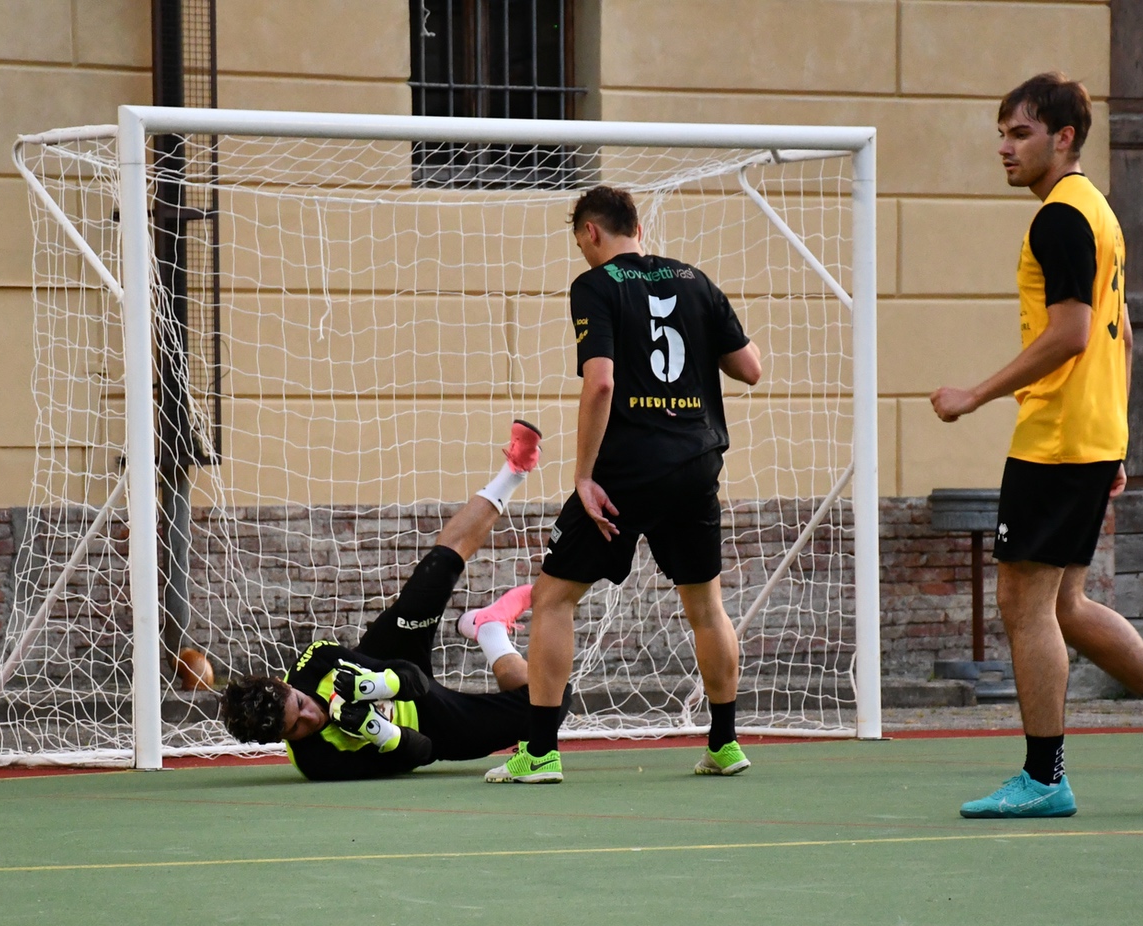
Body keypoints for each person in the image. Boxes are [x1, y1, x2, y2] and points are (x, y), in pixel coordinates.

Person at [930, 73, 1143, 818]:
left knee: (1023, 603)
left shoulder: (1060, 219)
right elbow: (1120, 332)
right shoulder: (1099, 212)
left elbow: (1071, 335)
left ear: (1063, 137)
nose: (1005, 149)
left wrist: (976, 393)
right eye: (1002, 135)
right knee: (1064, 603)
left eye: (1021, 134)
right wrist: (1117, 437)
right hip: (1090, 435)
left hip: (1058, 439)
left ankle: (1044, 778)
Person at [486, 185, 763, 784]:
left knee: (554, 598)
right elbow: (750, 368)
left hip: (628, 471)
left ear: (591, 232)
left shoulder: (595, 285)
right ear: (637, 227)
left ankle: (540, 751)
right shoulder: (696, 281)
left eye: (580, 242)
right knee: (706, 606)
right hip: (697, 464)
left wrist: (584, 475)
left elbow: (602, 383)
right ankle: (724, 743)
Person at [219, 420, 553, 782]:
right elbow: (421, 751)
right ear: (281, 740)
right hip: (428, 722)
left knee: (437, 570)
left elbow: (412, 677)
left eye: (299, 704)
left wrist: (372, 687)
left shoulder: (313, 664)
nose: (311, 716)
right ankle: (491, 631)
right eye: (296, 727)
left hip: (387, 662)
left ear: (284, 682)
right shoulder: (317, 761)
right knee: (550, 704)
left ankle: (514, 470)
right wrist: (379, 732)